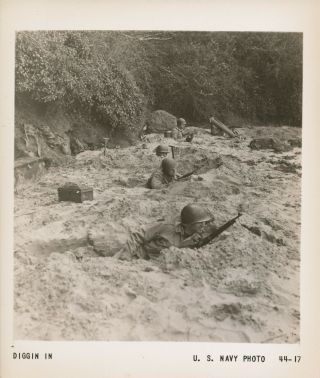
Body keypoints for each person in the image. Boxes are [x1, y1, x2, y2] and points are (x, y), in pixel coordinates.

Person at [88, 204, 216, 260]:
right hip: (140, 258)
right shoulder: (167, 227)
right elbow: (139, 235)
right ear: (190, 224)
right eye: (201, 223)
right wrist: (126, 255)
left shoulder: (197, 235)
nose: (204, 226)